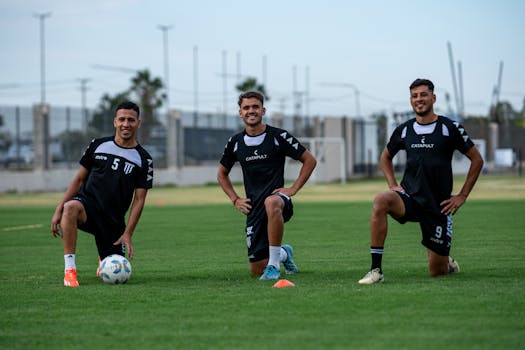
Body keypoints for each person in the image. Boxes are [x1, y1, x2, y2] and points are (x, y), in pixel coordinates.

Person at [358, 78, 484, 284]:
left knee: (437, 272)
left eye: (424, 95)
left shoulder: (450, 128)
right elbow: (385, 157)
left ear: (433, 98)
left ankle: (445, 260)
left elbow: (477, 160)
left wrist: (462, 196)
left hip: (438, 206)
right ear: (410, 101)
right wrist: (392, 185)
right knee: (381, 200)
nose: (419, 99)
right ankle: (376, 270)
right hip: (409, 197)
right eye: (415, 96)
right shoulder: (404, 130)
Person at [51, 101, 153, 287]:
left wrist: (128, 233)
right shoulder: (98, 145)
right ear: (115, 122)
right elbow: (79, 180)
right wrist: (60, 208)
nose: (126, 124)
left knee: (117, 273)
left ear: (138, 123)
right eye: (121, 119)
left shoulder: (144, 159)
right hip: (87, 207)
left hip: (113, 221)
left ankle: (103, 258)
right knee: (70, 207)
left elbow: (139, 200)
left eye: (131, 120)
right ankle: (70, 270)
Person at [217, 91, 317, 281]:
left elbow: (309, 160)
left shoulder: (278, 136)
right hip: (253, 208)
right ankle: (283, 253)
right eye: (246, 108)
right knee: (256, 269)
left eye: (255, 107)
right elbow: (221, 174)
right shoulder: (235, 142)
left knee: (271, 202)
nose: (251, 111)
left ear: (263, 110)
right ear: (240, 113)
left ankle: (273, 266)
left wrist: (292, 189)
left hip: (278, 202)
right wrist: (235, 199)